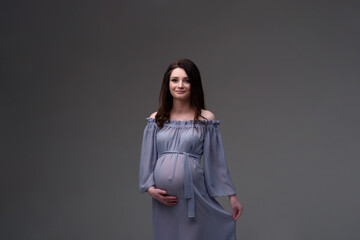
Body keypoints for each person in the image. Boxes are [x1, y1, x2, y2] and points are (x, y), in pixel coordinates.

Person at [139, 58, 243, 240]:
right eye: (175, 80)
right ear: (167, 84)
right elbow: (147, 157)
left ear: (194, 84)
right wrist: (150, 188)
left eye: (186, 80)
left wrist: (231, 195)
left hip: (193, 196)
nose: (180, 85)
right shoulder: (156, 119)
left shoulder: (205, 118)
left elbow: (216, 160)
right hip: (164, 202)